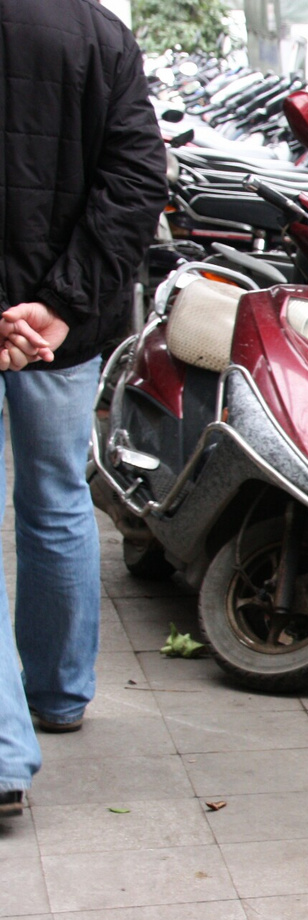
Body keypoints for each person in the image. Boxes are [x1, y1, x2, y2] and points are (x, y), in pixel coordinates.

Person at [0, 0, 167, 817]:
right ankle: (58, 696)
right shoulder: (98, 33)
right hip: (58, 334)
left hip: (33, 326)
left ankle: (1, 755)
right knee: (58, 499)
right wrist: (57, 308)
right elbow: (137, 180)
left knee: (52, 500)